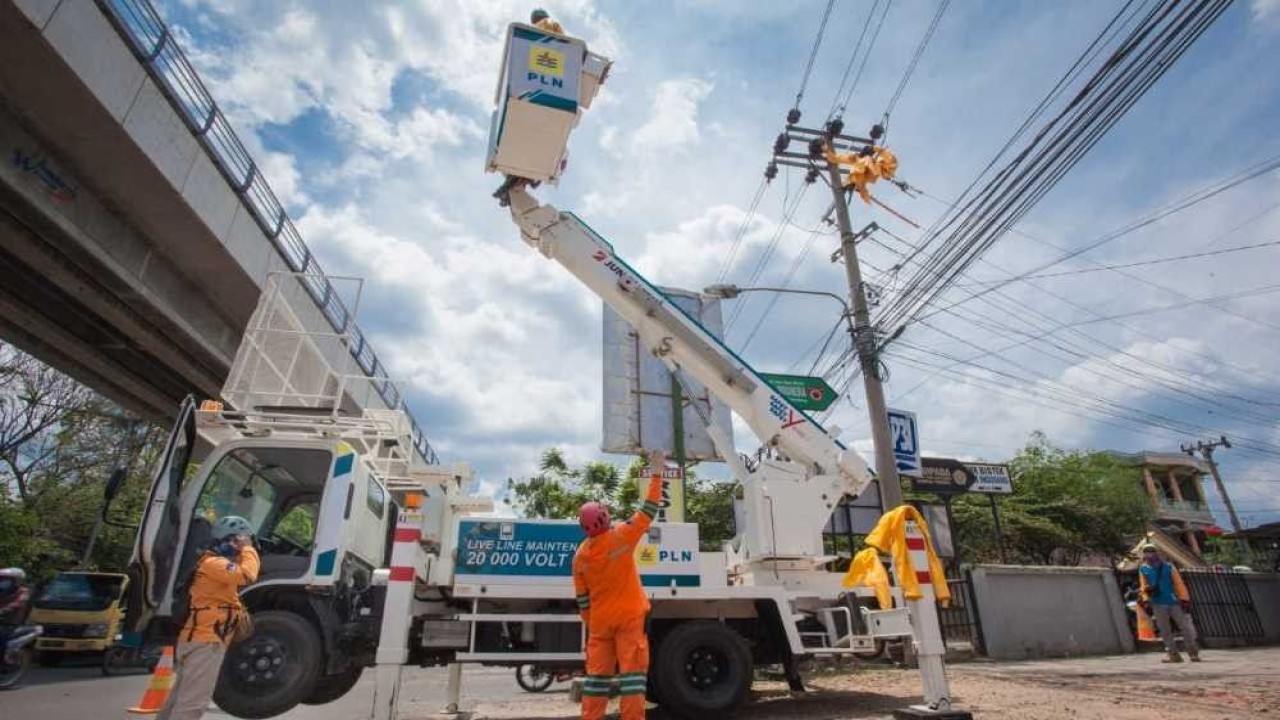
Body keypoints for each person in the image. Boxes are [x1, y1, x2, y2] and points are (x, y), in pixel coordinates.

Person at [573, 450, 666, 720]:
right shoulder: (622, 536)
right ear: (605, 517)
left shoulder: (580, 557)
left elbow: (582, 600)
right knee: (632, 679)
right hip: (629, 618)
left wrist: (594, 624)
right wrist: (656, 473)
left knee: (596, 681)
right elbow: (649, 509)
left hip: (600, 623)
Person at [159, 516, 260, 720]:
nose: (238, 548)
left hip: (199, 638)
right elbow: (247, 575)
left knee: (180, 698)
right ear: (227, 540)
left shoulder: (208, 564)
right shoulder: (214, 564)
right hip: (206, 641)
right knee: (193, 704)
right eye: (236, 541)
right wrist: (249, 548)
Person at [1138, 543, 1200, 663]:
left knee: (1185, 627)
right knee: (1164, 630)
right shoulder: (1143, 569)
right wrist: (1145, 600)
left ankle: (1193, 653)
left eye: (1152, 551)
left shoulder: (1168, 566)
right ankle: (1173, 654)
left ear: (1157, 552)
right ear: (1144, 554)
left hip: (1174, 601)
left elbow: (1178, 583)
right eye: (1147, 551)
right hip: (1157, 602)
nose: (1150, 553)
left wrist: (1184, 598)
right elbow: (1143, 585)